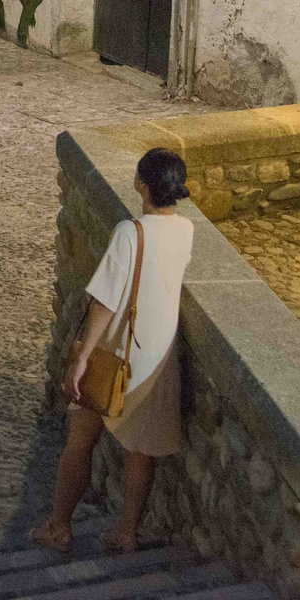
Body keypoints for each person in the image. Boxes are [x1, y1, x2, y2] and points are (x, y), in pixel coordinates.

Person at [32, 148, 195, 555]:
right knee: (141, 452)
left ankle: (59, 527)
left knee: (80, 441)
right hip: (156, 359)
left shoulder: (130, 232)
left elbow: (105, 302)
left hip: (115, 355)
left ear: (141, 184)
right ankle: (126, 534)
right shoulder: (187, 230)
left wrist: (82, 358)